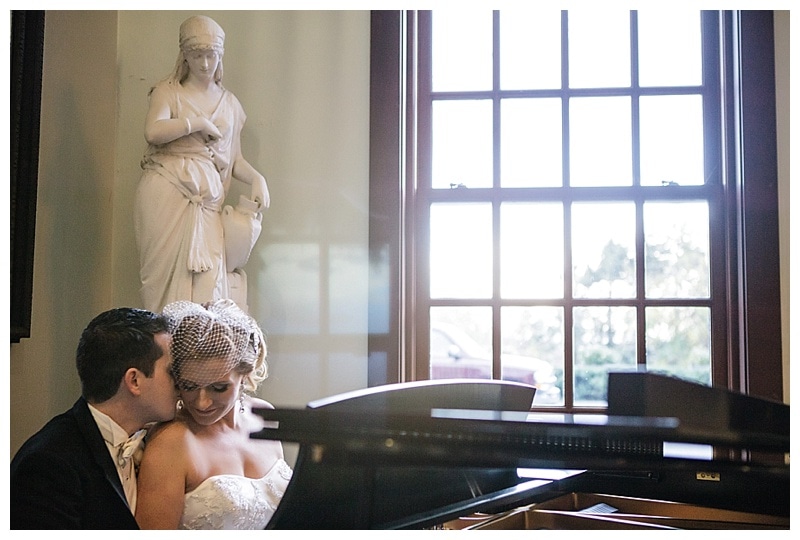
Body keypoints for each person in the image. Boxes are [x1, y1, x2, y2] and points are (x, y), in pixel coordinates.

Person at [134, 15, 269, 313]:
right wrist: (196, 123)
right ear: (184, 56)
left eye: (211, 55)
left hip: (207, 202)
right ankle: (163, 352)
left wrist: (258, 178)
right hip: (166, 192)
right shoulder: (167, 92)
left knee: (210, 283)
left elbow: (234, 161)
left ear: (220, 56)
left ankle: (201, 354)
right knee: (161, 286)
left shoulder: (230, 104)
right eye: (197, 56)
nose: (205, 64)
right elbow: (153, 131)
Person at [10, 308, 179, 529]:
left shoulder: (160, 443)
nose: (179, 382)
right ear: (134, 381)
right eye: (171, 371)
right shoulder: (49, 463)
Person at [135, 299, 292, 529]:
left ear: (245, 374)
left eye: (219, 388)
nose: (202, 402)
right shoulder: (172, 442)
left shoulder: (265, 417)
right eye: (188, 386)